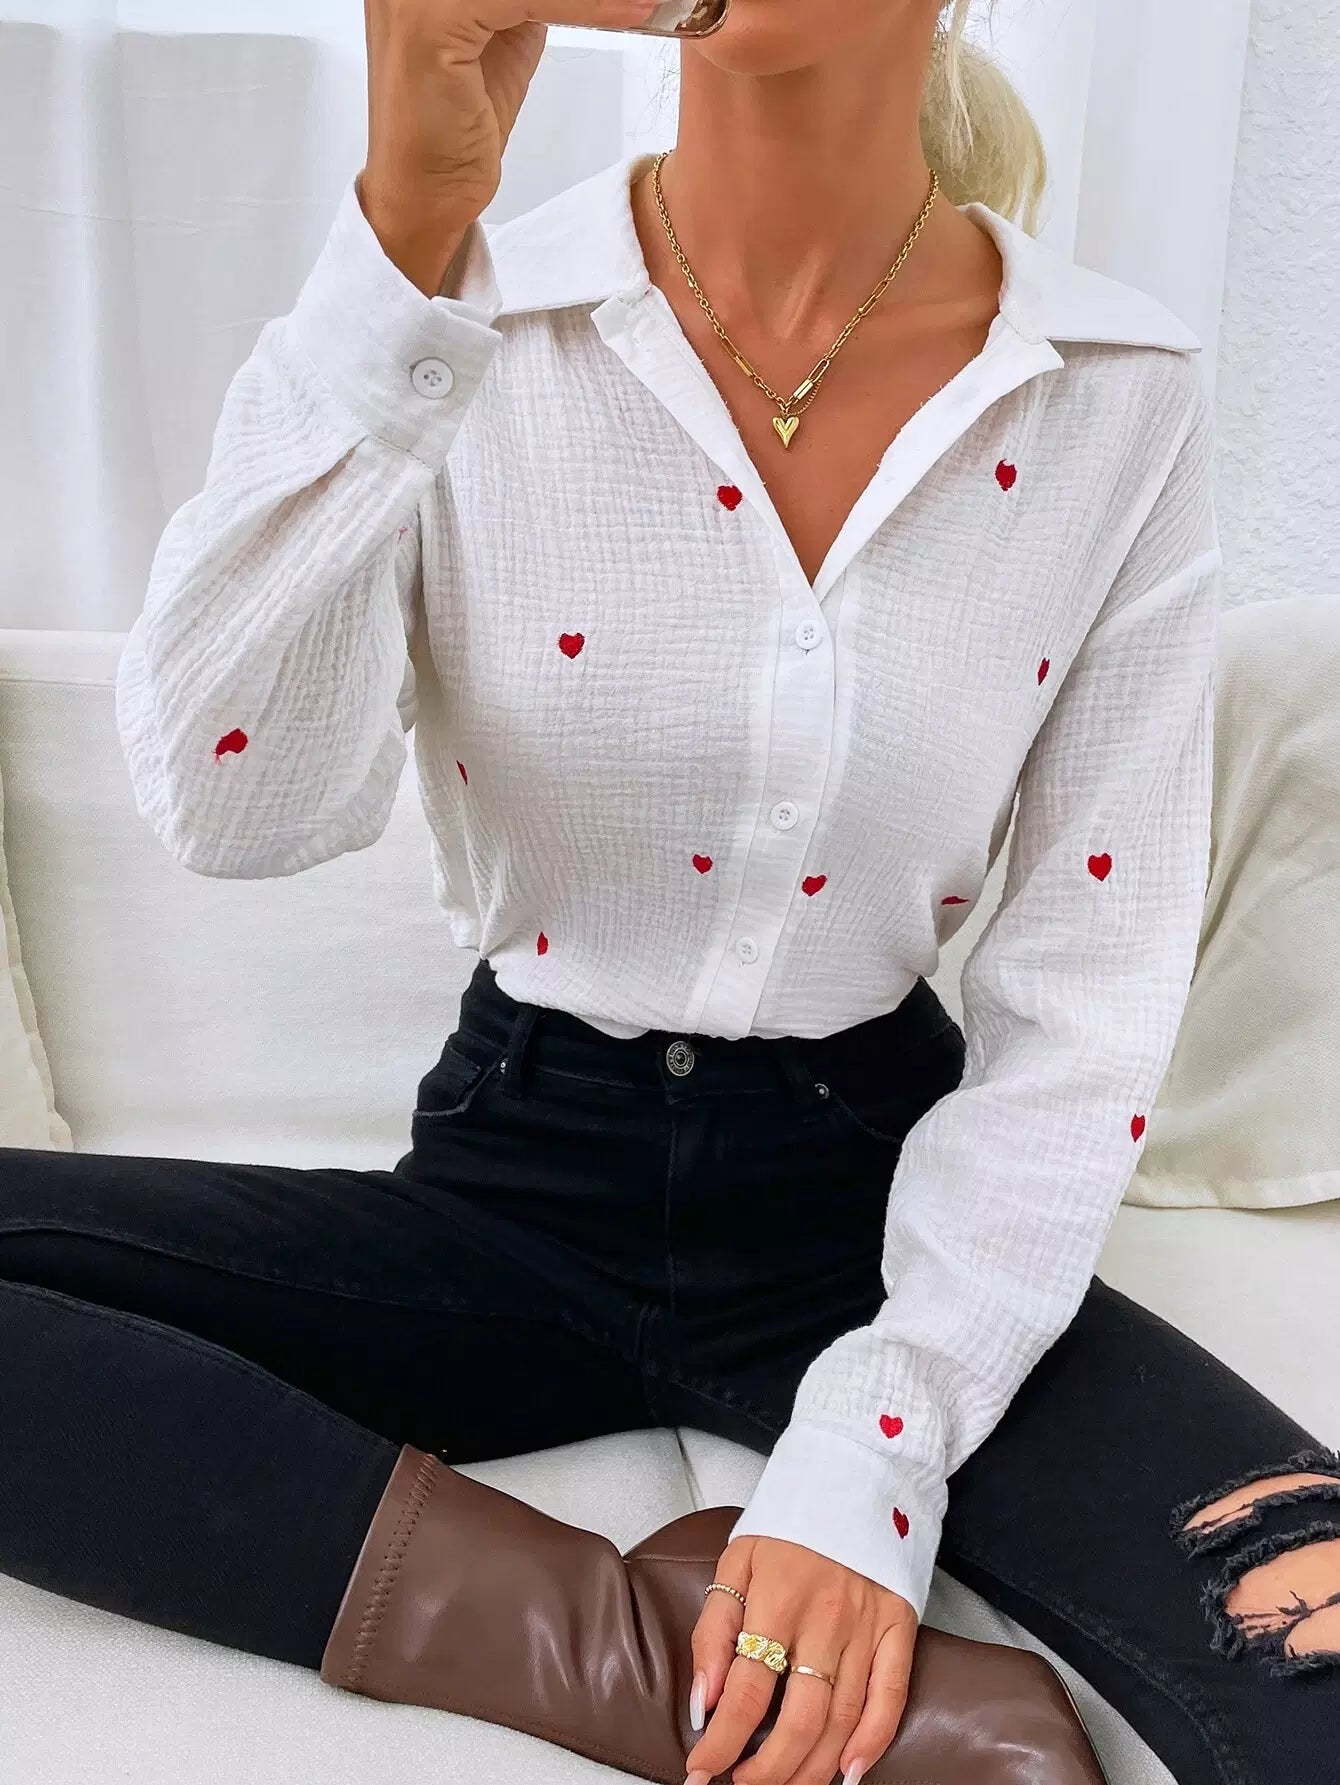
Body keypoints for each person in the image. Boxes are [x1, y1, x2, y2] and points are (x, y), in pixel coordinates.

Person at [2, 2, 1337, 1782]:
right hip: (511, 1184)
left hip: (881, 1220)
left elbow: (1089, 991)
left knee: (1318, 1648)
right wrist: (399, 248)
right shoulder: (468, 320)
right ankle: (639, 1656)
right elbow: (238, 805)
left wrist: (872, 1457)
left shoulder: (1111, 394)